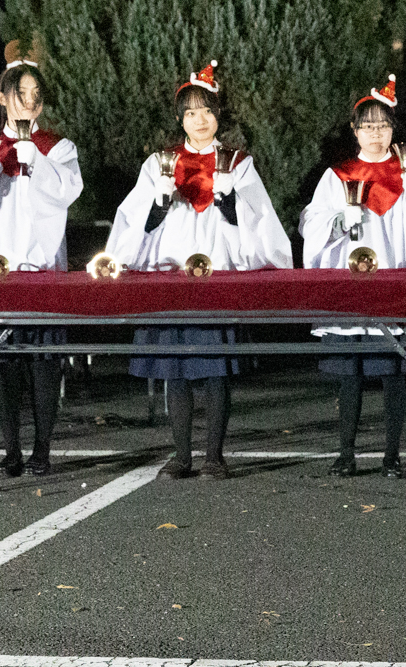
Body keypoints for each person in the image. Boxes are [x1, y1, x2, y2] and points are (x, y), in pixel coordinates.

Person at [105, 60, 292, 481]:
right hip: (172, 275)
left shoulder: (237, 163)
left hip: (217, 273)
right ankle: (181, 455)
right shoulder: (161, 163)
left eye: (206, 111)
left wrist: (229, 203)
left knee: (214, 368)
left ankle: (214, 456)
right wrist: (158, 206)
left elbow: (260, 220)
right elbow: (134, 222)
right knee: (175, 368)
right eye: (190, 113)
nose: (200, 120)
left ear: (218, 114)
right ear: (180, 119)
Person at [300, 75, 406, 478]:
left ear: (392, 129)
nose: (376, 133)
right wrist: (338, 221)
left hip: (393, 283)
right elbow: (311, 221)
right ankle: (346, 453)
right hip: (350, 286)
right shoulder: (338, 175)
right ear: (354, 130)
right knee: (349, 376)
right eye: (367, 126)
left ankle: (392, 455)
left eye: (383, 125)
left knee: (392, 375)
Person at [0, 39, 83, 477]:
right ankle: (11, 448)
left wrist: (36, 162)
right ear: (2, 97)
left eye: (36, 95)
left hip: (39, 267)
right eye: (20, 93)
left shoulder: (57, 147)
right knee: (2, 360)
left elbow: (66, 193)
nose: (29, 102)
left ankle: (42, 448)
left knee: (44, 360)